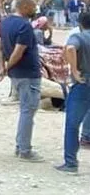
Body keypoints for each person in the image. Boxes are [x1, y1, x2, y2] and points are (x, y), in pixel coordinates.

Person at [0, 0, 44, 162]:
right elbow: (19, 51)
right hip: (28, 74)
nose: (35, 9)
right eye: (33, 6)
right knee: (28, 111)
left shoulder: (5, 22)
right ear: (24, 7)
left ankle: (20, 146)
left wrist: (2, 67)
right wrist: (6, 68)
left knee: (25, 110)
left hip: (16, 74)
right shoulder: (25, 26)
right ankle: (24, 149)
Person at [54, 12, 90, 173]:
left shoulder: (79, 37)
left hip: (83, 83)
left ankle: (71, 163)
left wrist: (74, 71)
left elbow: (70, 48)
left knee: (72, 125)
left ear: (80, 24)